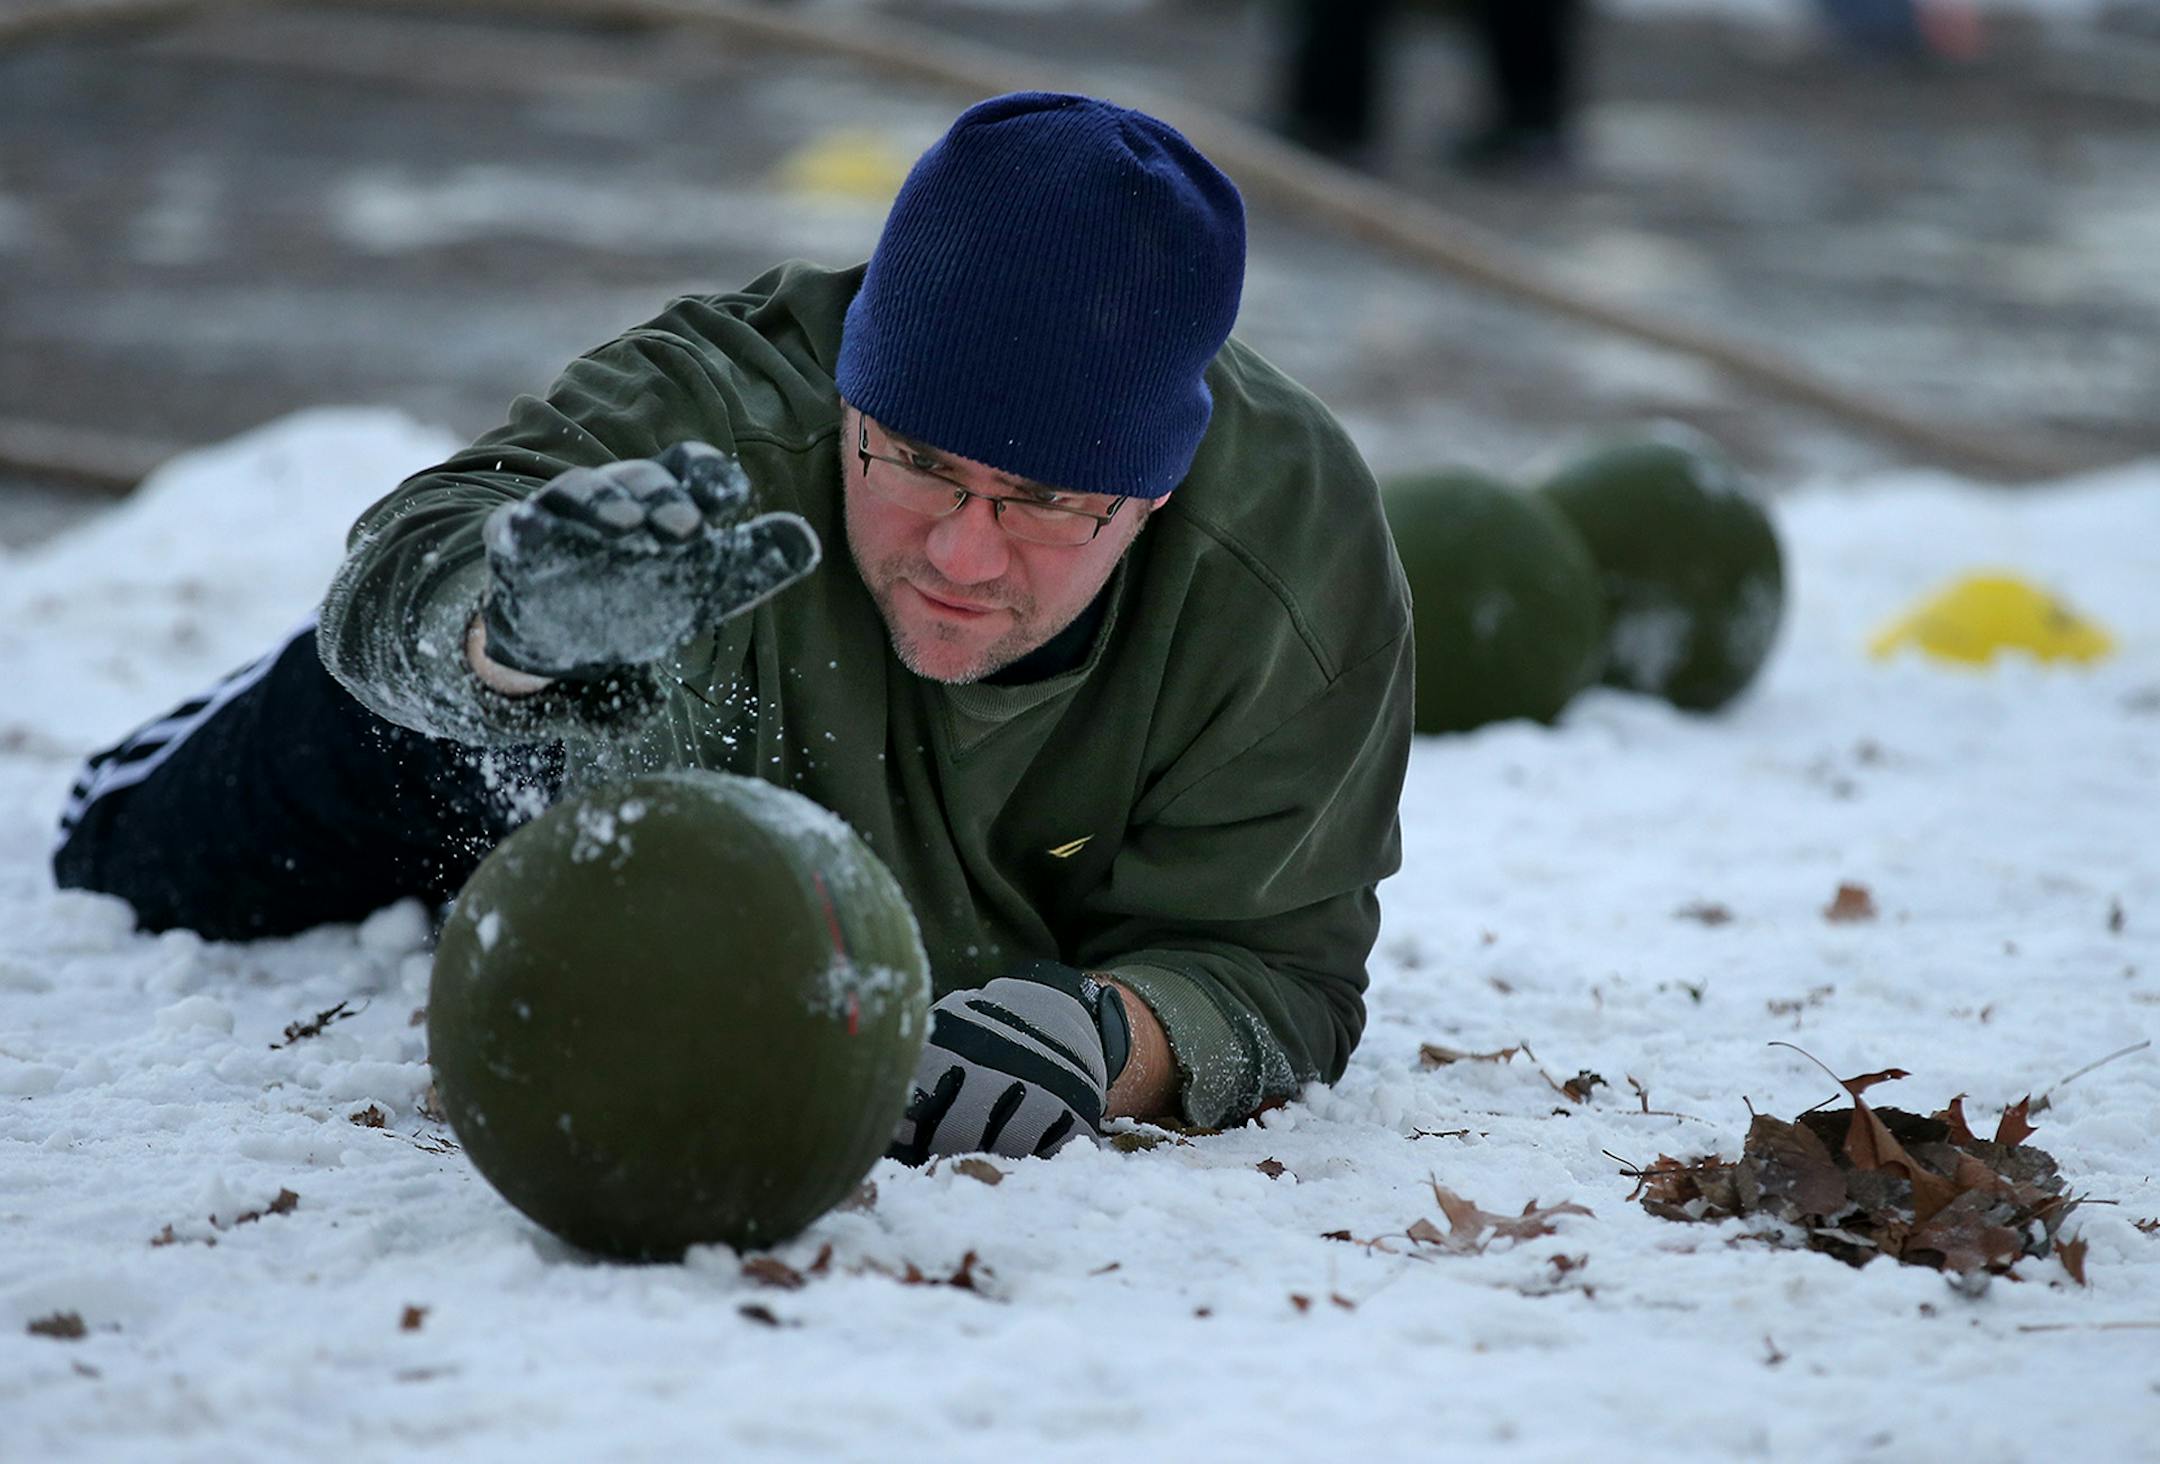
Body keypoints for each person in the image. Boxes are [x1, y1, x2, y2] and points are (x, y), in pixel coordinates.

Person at [54, 92, 1413, 1165]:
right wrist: (509, 632)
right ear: (853, 393)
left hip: (774, 952)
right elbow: (412, 558)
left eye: (1046, 504)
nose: (961, 550)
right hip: (512, 759)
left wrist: (1111, 1034)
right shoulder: (721, 413)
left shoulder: (1287, 571)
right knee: (127, 856)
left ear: (1155, 489)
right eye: (918, 463)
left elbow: (1281, 964)